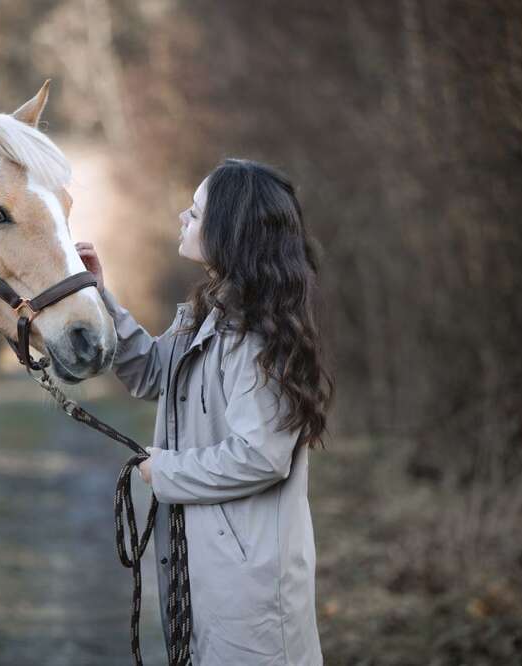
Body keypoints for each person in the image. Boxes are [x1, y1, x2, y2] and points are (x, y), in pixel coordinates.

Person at [75, 158, 334, 665]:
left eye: (194, 214)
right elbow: (152, 371)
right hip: (208, 569)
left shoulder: (257, 335)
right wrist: (96, 296)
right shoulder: (209, 314)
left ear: (228, 231)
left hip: (248, 586)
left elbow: (261, 456)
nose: (181, 218)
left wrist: (167, 469)